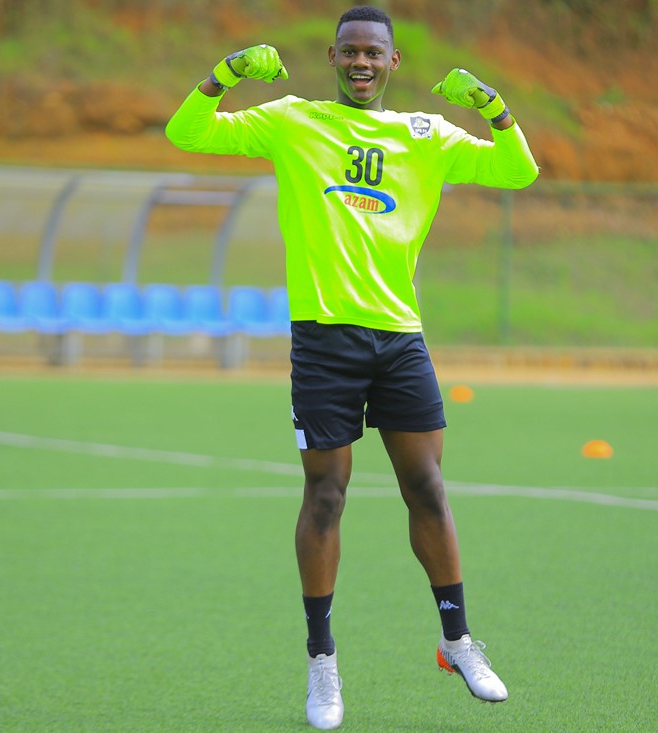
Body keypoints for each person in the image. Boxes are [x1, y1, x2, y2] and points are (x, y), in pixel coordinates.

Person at [166, 5, 538, 730]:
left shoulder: (426, 135)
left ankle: (458, 640)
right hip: (323, 341)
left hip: (400, 338)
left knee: (427, 487)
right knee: (326, 496)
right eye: (350, 51)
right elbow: (188, 131)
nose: (361, 62)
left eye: (374, 52)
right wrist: (228, 72)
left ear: (393, 63)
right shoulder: (292, 119)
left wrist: (491, 106)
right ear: (333, 58)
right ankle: (322, 661)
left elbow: (517, 169)